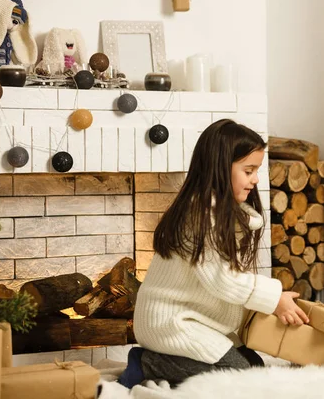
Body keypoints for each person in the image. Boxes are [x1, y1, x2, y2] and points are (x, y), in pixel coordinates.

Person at [118, 119, 309, 388]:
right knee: (238, 374)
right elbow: (223, 280)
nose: (255, 179)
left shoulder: (223, 215)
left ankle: (167, 361)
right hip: (169, 322)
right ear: (220, 168)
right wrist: (274, 298)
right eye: (249, 170)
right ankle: (147, 363)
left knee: (253, 367)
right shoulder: (199, 216)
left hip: (195, 319)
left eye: (256, 171)